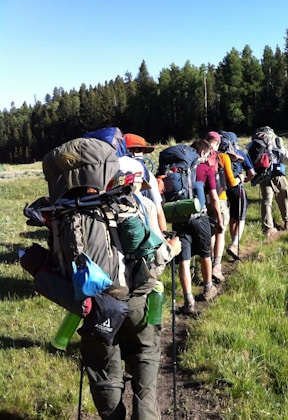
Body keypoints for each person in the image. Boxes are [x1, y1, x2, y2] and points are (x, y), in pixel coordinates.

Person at [81, 156, 181, 419]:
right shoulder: (140, 205)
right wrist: (173, 249)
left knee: (105, 371)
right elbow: (154, 260)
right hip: (137, 299)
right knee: (145, 355)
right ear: (134, 179)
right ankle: (146, 413)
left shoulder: (79, 210)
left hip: (96, 305)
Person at [173, 140, 220, 314]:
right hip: (200, 218)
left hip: (179, 217)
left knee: (184, 260)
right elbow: (214, 198)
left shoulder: (175, 169)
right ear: (201, 154)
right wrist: (220, 221)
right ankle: (208, 288)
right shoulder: (204, 169)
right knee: (205, 253)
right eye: (208, 155)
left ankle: (188, 300)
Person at [205, 131, 239, 279]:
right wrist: (240, 179)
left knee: (210, 232)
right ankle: (217, 266)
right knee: (220, 231)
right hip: (220, 198)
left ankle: (209, 262)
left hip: (203, 199)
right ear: (218, 143)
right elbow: (231, 182)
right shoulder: (223, 157)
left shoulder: (199, 156)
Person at [124, 133, 168, 233]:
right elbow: (158, 211)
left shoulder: (111, 171)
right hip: (140, 227)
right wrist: (165, 235)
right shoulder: (147, 175)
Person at [257, 128, 288, 236]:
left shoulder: (257, 143)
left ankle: (268, 227)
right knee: (283, 195)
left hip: (263, 174)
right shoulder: (277, 141)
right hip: (277, 172)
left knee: (266, 200)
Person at [225, 137, 255, 260]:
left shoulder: (219, 155)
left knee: (232, 216)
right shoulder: (240, 153)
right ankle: (235, 243)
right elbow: (251, 173)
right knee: (241, 216)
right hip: (237, 187)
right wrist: (245, 180)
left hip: (222, 189)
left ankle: (233, 243)